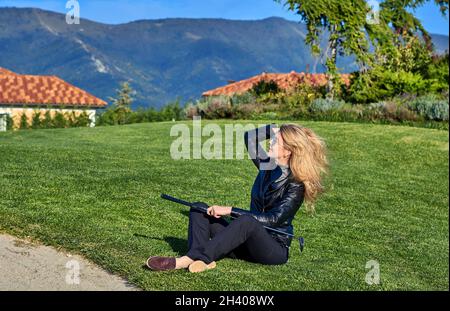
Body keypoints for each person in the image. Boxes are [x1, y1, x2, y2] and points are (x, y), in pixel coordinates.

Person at [146, 123, 329, 273]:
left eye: (275, 141)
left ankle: (188, 260)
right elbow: (249, 138)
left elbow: (273, 220)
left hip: (272, 249)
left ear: (288, 151)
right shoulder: (267, 167)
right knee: (199, 208)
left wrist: (229, 210)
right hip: (245, 244)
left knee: (246, 221)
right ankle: (201, 257)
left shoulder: (296, 185)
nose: (269, 143)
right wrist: (274, 128)